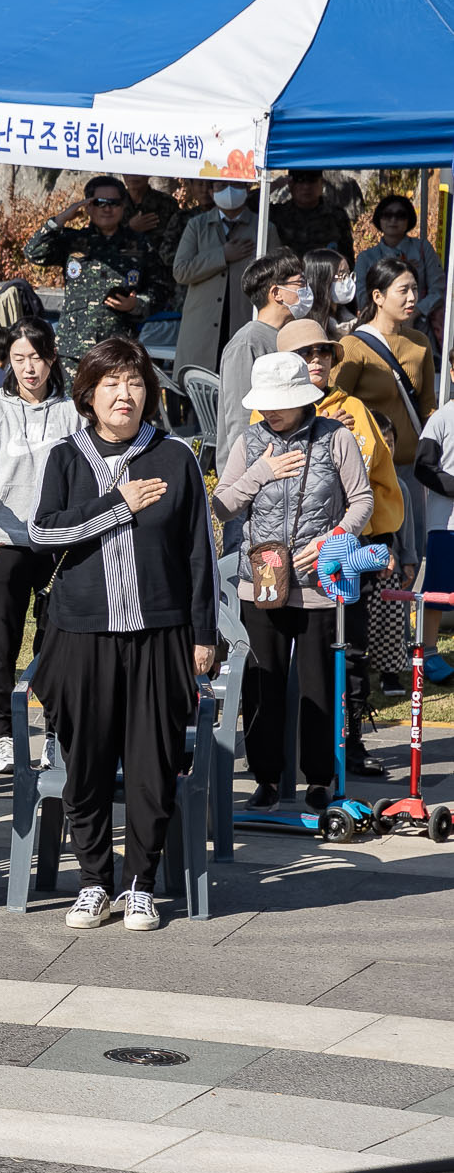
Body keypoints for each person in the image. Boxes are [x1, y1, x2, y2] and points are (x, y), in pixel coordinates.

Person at [25, 337, 220, 932]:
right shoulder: (66, 456)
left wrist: (203, 632)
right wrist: (118, 505)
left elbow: (198, 554)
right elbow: (45, 532)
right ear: (88, 394)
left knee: (151, 761)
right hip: (81, 633)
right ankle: (93, 879)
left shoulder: (176, 457)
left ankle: (140, 882)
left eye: (135, 383)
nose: (124, 394)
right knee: (85, 759)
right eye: (111, 383)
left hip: (159, 633)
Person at [214, 351, 372, 812]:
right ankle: (266, 776)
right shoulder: (250, 441)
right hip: (260, 578)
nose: (270, 412)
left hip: (318, 582)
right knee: (262, 682)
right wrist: (260, 473)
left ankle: (319, 778)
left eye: (279, 403)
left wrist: (335, 538)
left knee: (317, 685)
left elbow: (361, 500)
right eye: (265, 404)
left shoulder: (335, 437)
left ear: (305, 399)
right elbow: (220, 506)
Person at [279, 316, 401, 777]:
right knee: (282, 659)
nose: (317, 360)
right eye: (306, 354)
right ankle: (280, 757)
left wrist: (338, 437)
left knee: (349, 652)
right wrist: (317, 430)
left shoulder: (352, 406)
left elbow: (364, 481)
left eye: (324, 352)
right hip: (286, 557)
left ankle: (347, 751)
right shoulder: (266, 410)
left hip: (347, 553)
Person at [0, 317, 79, 774]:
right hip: (4, 542)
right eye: (19, 359)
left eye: (36, 357)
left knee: (54, 641)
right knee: (2, 641)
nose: (29, 368)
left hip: (58, 544)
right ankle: (2, 735)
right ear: (8, 362)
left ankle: (53, 731)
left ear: (51, 358)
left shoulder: (73, 411)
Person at [335, 255, 436, 572]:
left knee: (412, 554)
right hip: (370, 472)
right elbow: (335, 404)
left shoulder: (419, 343)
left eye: (415, 290)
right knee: (379, 556)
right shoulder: (353, 346)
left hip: (410, 468)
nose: (411, 298)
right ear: (377, 297)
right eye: (403, 290)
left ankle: (406, 622)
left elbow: (427, 406)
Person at [23, 176, 172, 347]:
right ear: (88, 207)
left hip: (118, 347)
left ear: (123, 206)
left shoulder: (142, 245)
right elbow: (33, 253)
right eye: (100, 202)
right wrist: (60, 220)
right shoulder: (72, 241)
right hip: (74, 349)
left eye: (114, 202)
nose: (107, 208)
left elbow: (162, 288)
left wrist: (137, 304)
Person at [216, 254, 305, 469]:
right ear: (276, 293)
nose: (306, 291)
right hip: (256, 470)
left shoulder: (289, 336)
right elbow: (241, 417)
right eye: (300, 284)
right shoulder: (248, 343)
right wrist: (253, 473)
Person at [173, 180, 261, 378]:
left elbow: (275, 276)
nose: (229, 191)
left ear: (248, 189)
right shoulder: (197, 225)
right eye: (221, 186)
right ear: (211, 192)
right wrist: (222, 255)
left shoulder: (263, 226)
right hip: (202, 329)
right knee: (197, 397)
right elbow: (180, 271)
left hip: (243, 324)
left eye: (236, 185)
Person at [354, 194, 445, 315]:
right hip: (380, 328)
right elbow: (362, 298)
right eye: (387, 215)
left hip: (420, 325)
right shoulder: (365, 258)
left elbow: (439, 290)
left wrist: (416, 312)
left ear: (409, 219)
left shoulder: (423, 249)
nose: (393, 220)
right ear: (379, 219)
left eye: (400, 215)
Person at [271, 169, 355, 259]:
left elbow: (347, 257)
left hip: (326, 271)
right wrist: (273, 186)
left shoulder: (337, 215)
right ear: (291, 184)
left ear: (321, 183)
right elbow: (254, 204)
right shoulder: (278, 214)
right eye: (300, 181)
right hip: (289, 271)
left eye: (312, 181)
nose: (306, 187)